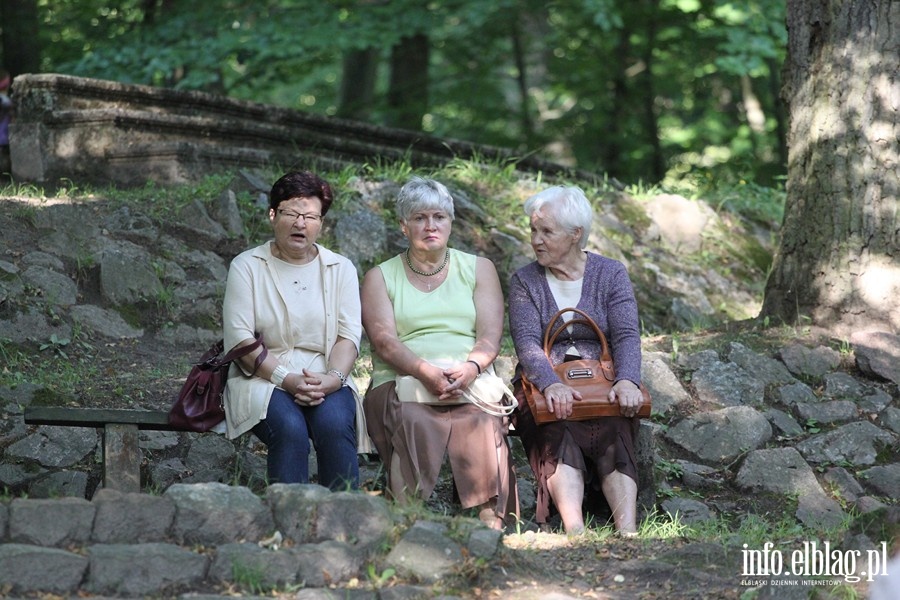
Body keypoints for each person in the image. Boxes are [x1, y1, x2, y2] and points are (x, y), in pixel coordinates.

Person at [361, 176, 518, 530]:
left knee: (481, 419)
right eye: (419, 218)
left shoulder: (479, 268)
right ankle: (406, 518)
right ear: (404, 226)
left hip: (468, 376)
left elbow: (490, 336)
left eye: (439, 217)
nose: (430, 226)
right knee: (413, 418)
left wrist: (472, 368)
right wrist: (424, 372)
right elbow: (385, 341)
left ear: (450, 222)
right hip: (402, 377)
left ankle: (491, 524)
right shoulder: (380, 276)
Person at [508, 185, 645, 536]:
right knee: (558, 425)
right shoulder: (524, 280)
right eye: (533, 230)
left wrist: (627, 379)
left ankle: (628, 532)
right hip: (542, 383)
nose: (536, 240)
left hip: (601, 381)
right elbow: (526, 343)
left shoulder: (610, 273)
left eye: (546, 231)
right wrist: (550, 383)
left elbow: (626, 334)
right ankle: (576, 532)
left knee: (615, 426)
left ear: (575, 235)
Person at [221, 171, 363, 490]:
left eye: (311, 216)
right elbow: (241, 341)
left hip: (326, 374)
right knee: (289, 427)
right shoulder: (247, 266)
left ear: (321, 223)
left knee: (335, 423)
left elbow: (348, 336)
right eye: (292, 214)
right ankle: (290, 524)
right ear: (273, 215)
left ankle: (347, 522)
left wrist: (332, 380)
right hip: (261, 377)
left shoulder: (341, 269)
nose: (301, 224)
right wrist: (287, 379)